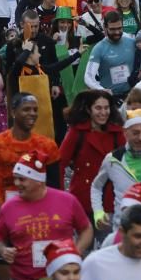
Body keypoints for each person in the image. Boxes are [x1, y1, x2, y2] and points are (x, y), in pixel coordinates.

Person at [0, 92, 60, 280]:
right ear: (13, 112)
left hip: (37, 221)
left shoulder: (47, 146)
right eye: (26, 109)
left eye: (35, 110)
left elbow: (55, 186)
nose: (32, 114)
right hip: (2, 221)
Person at [0, 151, 93, 280]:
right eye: (15, 178)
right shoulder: (8, 207)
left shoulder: (67, 201)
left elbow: (86, 229)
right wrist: (2, 250)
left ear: (38, 180)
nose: (16, 183)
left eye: (22, 179)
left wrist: (74, 253)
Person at [90, 108, 141, 230]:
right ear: (125, 132)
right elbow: (96, 187)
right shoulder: (113, 159)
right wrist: (98, 212)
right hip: (122, 230)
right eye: (135, 133)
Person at [58, 89, 125, 219]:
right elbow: (60, 164)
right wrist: (61, 196)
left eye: (106, 108)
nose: (103, 113)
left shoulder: (117, 133)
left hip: (111, 199)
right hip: (83, 198)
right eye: (98, 108)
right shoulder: (77, 133)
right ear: (89, 110)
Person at [83, 12, 136, 99]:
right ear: (105, 28)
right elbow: (88, 77)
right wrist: (102, 90)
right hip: (111, 98)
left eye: (119, 28)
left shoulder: (132, 42)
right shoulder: (99, 48)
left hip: (131, 96)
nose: (117, 32)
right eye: (112, 29)